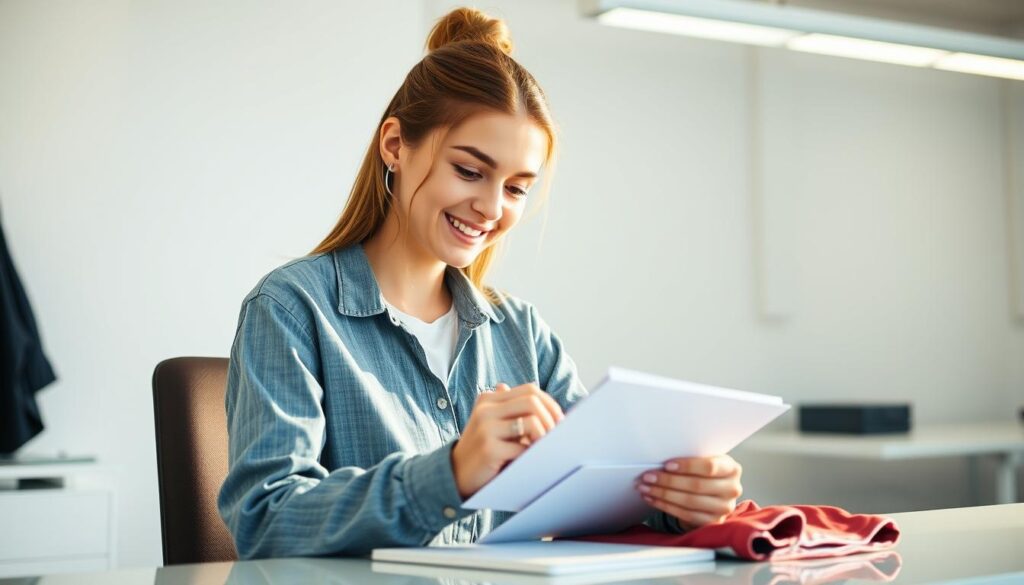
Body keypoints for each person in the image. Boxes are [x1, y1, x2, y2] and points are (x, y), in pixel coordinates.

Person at [217, 7, 743, 560]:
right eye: (469, 171)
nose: (491, 208)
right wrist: (450, 474)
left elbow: (592, 485)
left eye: (516, 188)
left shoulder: (521, 331)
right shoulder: (292, 308)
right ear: (395, 145)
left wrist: (680, 496)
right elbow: (265, 520)